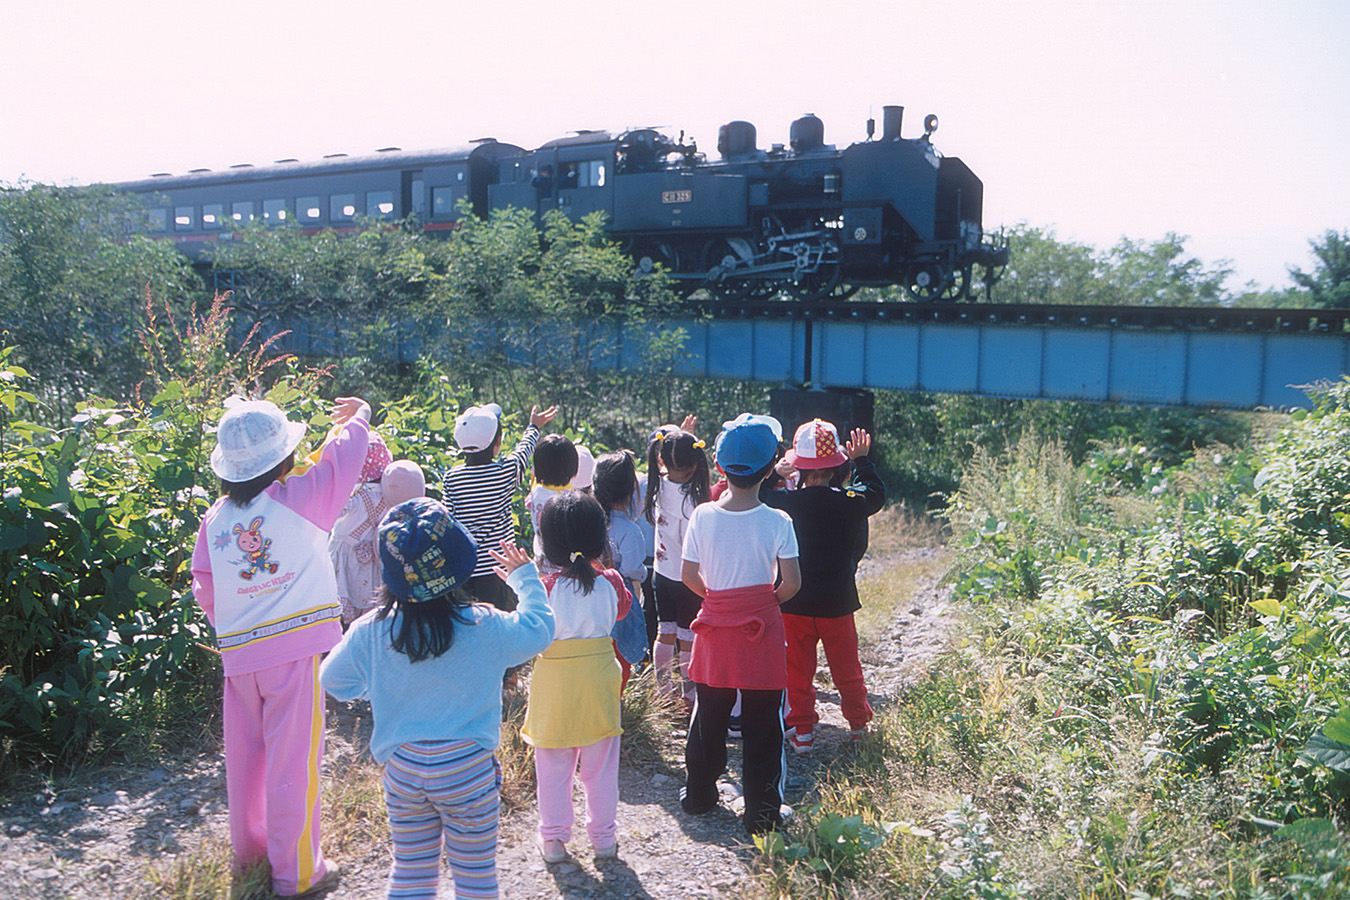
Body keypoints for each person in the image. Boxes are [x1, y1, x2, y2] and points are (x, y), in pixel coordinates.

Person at [320, 499, 554, 900]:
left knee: (411, 869)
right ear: (458, 562)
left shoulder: (370, 631)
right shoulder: (484, 623)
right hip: (468, 770)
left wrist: (378, 685)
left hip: (404, 769)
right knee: (475, 876)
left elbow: (332, 681)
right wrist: (525, 579)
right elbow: (539, 629)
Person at [191, 395, 372, 897]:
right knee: (294, 761)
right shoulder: (302, 498)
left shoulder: (216, 520)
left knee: (245, 760)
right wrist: (358, 417)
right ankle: (296, 872)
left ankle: (250, 857)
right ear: (285, 459)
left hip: (239, 659)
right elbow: (345, 458)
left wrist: (235, 620)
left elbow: (203, 582)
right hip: (294, 656)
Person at [680, 416, 800, 834]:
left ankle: (699, 795)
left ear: (718, 465)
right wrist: (761, 601)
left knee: (708, 714)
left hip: (714, 624)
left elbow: (689, 576)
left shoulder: (702, 516)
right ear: (771, 470)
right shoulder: (779, 522)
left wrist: (719, 598)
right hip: (761, 630)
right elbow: (792, 583)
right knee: (765, 723)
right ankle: (763, 813)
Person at [521, 491, 629, 864]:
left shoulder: (544, 590)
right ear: (600, 539)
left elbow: (528, 625)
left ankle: (553, 841)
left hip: (554, 687)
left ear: (547, 544)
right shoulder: (612, 582)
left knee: (552, 769)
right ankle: (603, 839)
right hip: (599, 685)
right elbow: (622, 611)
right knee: (600, 770)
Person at [764, 420, 886, 752]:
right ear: (837, 468)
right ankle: (859, 726)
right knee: (847, 668)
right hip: (837, 603)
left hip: (794, 602)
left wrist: (776, 473)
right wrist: (862, 460)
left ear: (798, 469)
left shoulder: (785, 504)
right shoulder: (850, 502)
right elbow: (875, 493)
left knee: (798, 671)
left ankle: (803, 732)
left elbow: (760, 493)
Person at [443, 402, 557, 611]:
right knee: (503, 624)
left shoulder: (451, 478)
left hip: (465, 570)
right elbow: (524, 450)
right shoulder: (505, 472)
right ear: (497, 443)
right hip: (501, 570)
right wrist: (533, 426)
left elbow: (448, 520)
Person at [644, 421, 711, 706]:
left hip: (661, 575)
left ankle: (662, 690)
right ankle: (689, 692)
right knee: (687, 638)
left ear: (660, 459)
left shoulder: (657, 487)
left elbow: (670, 457)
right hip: (687, 579)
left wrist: (677, 439)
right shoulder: (693, 502)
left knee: (665, 632)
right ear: (695, 464)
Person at [592, 450, 650, 675]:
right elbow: (631, 569)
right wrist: (644, 575)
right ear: (631, 490)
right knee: (620, 654)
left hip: (592, 593)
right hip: (621, 597)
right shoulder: (630, 530)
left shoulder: (592, 523)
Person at [328, 431, 393, 625]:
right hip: (374, 555)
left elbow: (329, 513)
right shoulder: (388, 492)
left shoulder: (352, 495)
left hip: (346, 555)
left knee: (343, 602)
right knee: (371, 602)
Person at [525, 433, 580, 564]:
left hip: (541, 562)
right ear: (573, 466)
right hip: (567, 568)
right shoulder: (572, 498)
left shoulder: (536, 492)